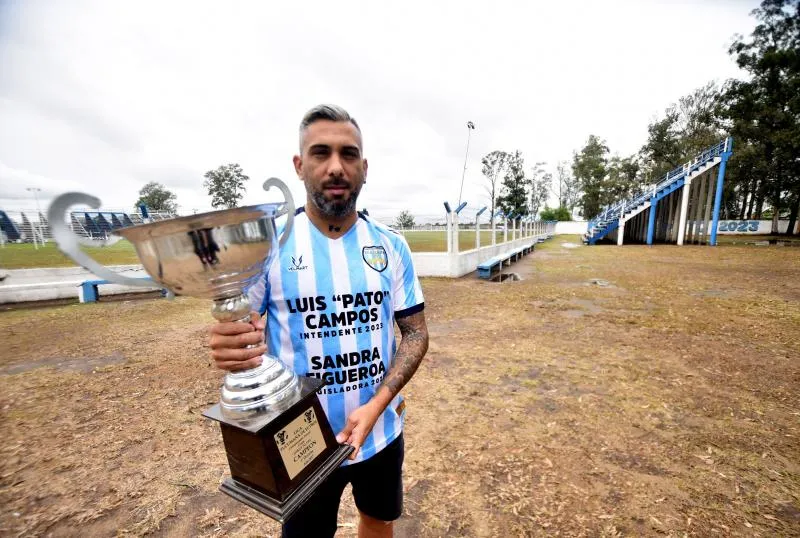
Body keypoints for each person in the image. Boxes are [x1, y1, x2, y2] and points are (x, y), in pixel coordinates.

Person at [208, 104, 429, 538]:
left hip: (380, 429)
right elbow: (242, 335)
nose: (335, 167)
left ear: (364, 168)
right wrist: (232, 346)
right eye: (320, 153)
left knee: (378, 519)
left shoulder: (392, 245)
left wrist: (377, 404)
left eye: (348, 155)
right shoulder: (266, 247)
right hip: (299, 441)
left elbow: (416, 333)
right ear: (299, 165)